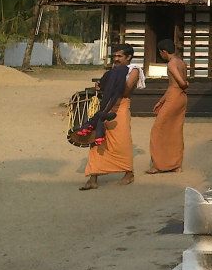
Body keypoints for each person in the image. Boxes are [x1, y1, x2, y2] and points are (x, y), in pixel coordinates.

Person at [80, 45, 139, 190]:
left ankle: (128, 173)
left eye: (120, 56)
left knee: (122, 141)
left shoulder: (134, 71)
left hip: (121, 107)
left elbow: (125, 91)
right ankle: (93, 178)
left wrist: (116, 78)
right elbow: (102, 87)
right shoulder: (112, 72)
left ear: (128, 57)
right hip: (105, 106)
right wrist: (102, 85)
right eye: (115, 56)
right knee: (97, 140)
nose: (116, 59)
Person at [146, 38, 188, 174]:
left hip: (174, 97)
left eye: (160, 53)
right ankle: (176, 165)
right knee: (175, 129)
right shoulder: (181, 62)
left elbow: (181, 83)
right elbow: (175, 86)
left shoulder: (171, 64)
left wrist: (185, 85)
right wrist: (161, 101)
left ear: (164, 52)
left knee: (157, 130)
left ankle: (159, 165)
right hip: (180, 97)